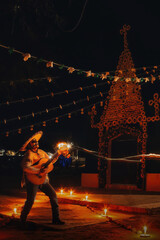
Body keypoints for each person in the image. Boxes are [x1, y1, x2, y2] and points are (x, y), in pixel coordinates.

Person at [19, 131, 65, 226]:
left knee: (53, 195)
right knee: (30, 200)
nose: (36, 143)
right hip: (32, 180)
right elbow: (25, 167)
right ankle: (22, 219)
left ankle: (56, 219)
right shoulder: (29, 154)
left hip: (43, 180)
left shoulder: (41, 152)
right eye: (33, 142)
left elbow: (50, 162)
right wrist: (37, 171)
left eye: (36, 141)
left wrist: (58, 154)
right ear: (29, 145)